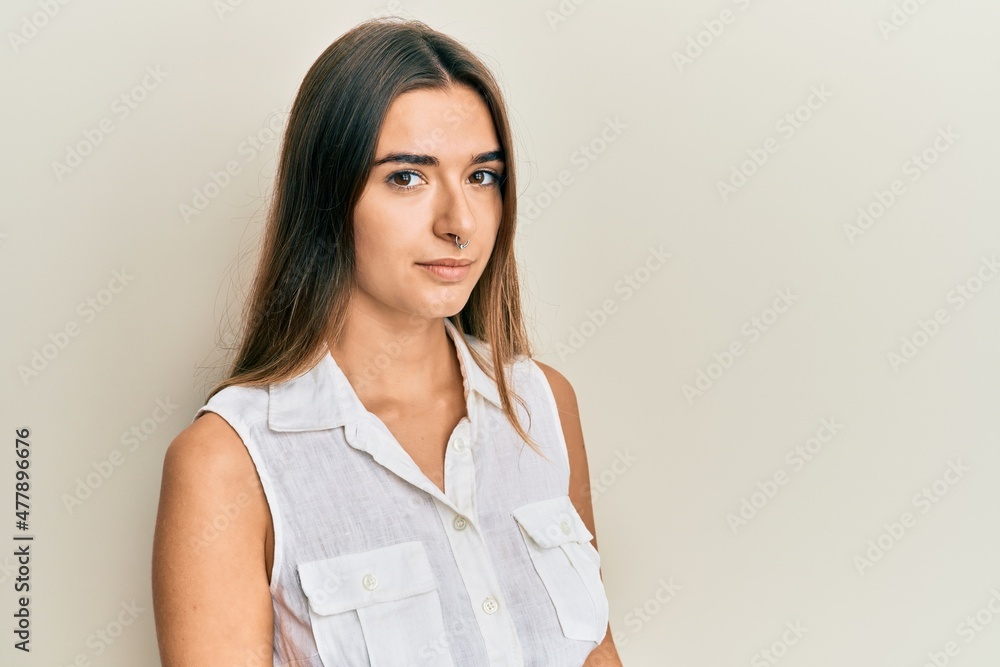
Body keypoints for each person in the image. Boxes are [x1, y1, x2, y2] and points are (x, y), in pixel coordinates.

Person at [151, 16, 621, 667]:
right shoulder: (227, 462)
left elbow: (596, 649)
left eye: (481, 176)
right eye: (407, 177)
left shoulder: (542, 404)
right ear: (329, 197)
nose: (459, 222)